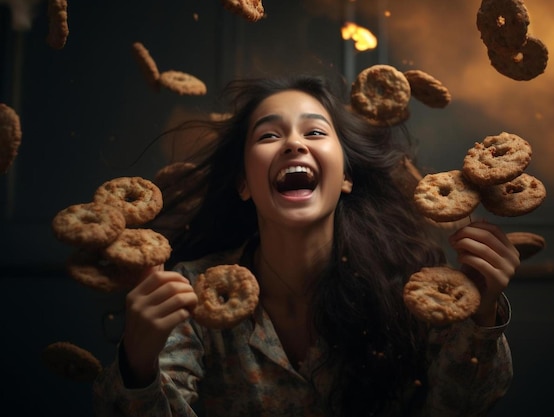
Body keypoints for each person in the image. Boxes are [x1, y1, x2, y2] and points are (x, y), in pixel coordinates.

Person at [93, 74, 519, 417]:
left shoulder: (410, 290)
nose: (295, 143)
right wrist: (138, 364)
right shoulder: (188, 294)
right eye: (267, 136)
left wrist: (483, 314)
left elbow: (462, 405)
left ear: (347, 177)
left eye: (315, 131)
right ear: (244, 183)